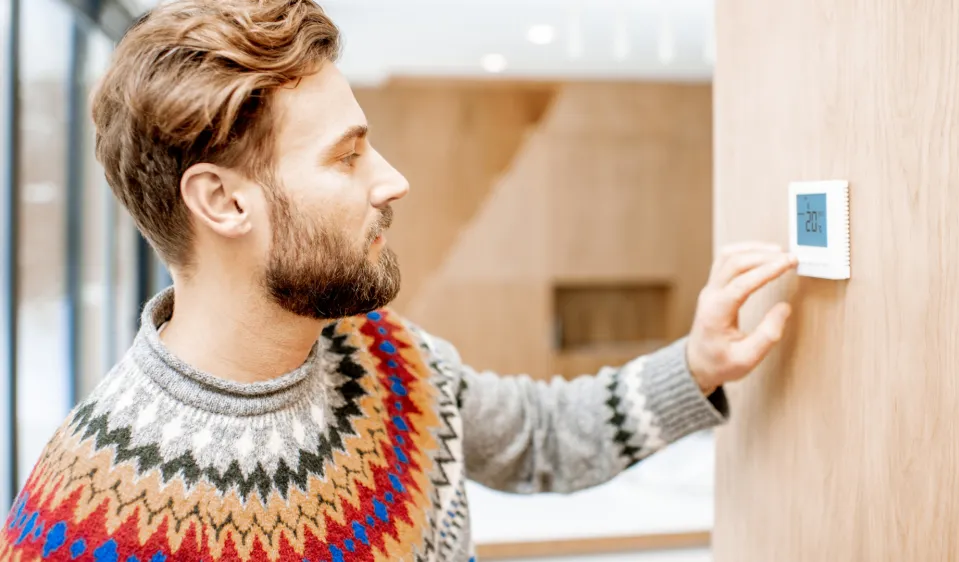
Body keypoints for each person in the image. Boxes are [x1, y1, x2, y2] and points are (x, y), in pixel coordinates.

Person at [0, 1, 797, 560]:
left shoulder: (382, 353)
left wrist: (697, 365)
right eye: (347, 155)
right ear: (221, 201)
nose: (393, 181)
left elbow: (542, 438)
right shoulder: (82, 524)